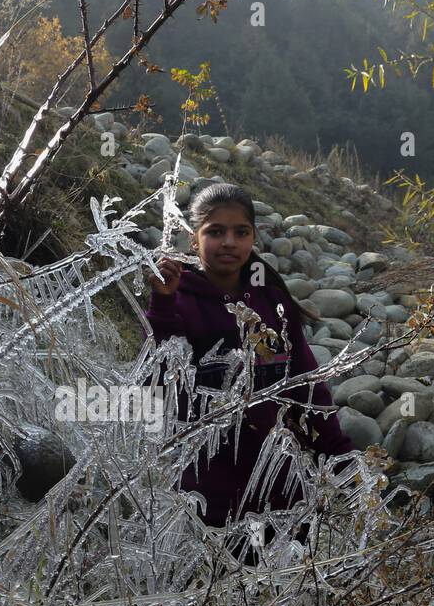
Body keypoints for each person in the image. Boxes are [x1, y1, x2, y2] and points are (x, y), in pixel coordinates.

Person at [145, 183, 354, 531]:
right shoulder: (176, 300)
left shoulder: (272, 302)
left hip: (277, 482)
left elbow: (305, 384)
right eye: (215, 232)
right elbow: (160, 380)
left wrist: (341, 458)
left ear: (253, 237)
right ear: (194, 240)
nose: (229, 242)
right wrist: (162, 304)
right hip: (203, 486)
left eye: (240, 232)